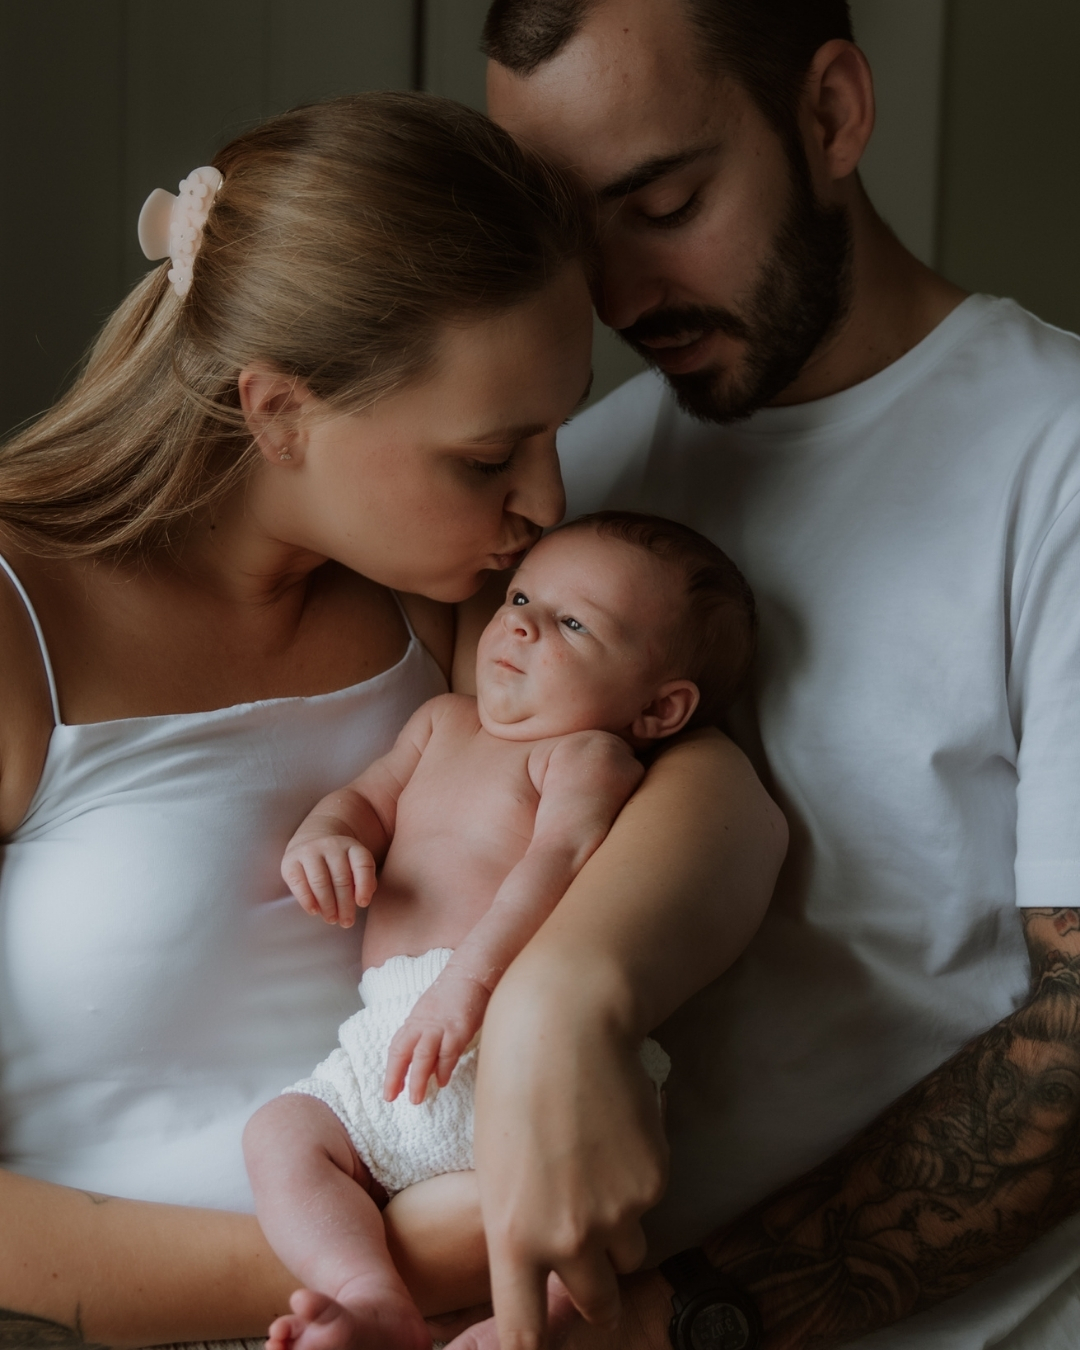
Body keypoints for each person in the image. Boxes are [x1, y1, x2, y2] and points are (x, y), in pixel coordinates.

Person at [0, 90, 788, 1348]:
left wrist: (568, 998)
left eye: (557, 430)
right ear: (278, 411)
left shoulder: (453, 608)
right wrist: (395, 1268)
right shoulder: (20, 625)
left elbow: (710, 797)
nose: (545, 497)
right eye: (488, 457)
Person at [446, 1, 1080, 1347]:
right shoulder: (571, 489)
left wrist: (687, 1321)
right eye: (575, 229)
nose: (617, 294)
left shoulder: (1059, 463)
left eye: (665, 200)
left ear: (834, 113)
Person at [245, 512, 756, 1350]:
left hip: (507, 1038)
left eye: (573, 622)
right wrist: (326, 835)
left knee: (555, 1199)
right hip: (386, 1039)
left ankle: (533, 1324)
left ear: (661, 708)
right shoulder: (442, 722)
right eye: (521, 597)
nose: (518, 622)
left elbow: (550, 872)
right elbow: (367, 801)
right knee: (281, 1135)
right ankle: (368, 1294)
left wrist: (469, 986)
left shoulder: (586, 758)